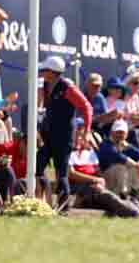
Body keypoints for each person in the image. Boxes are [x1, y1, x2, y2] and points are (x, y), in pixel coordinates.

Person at [34, 56, 93, 191]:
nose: (41, 72)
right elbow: (39, 105)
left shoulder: (68, 88)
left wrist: (87, 131)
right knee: (37, 166)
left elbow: (87, 108)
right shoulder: (44, 85)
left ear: (52, 72)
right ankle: (42, 198)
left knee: (61, 173)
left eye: (44, 69)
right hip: (48, 135)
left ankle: (63, 208)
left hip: (64, 136)